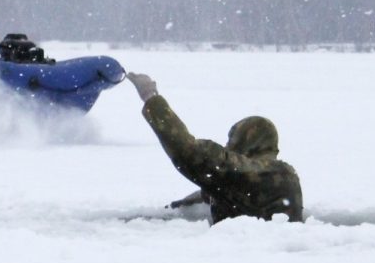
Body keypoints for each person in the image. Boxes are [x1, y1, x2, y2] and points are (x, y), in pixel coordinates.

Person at [126, 72, 304, 224]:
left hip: (246, 258)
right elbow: (219, 188)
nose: (229, 146)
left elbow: (191, 153)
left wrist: (151, 98)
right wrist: (171, 210)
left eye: (233, 140)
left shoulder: (253, 174)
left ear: (246, 141)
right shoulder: (278, 175)